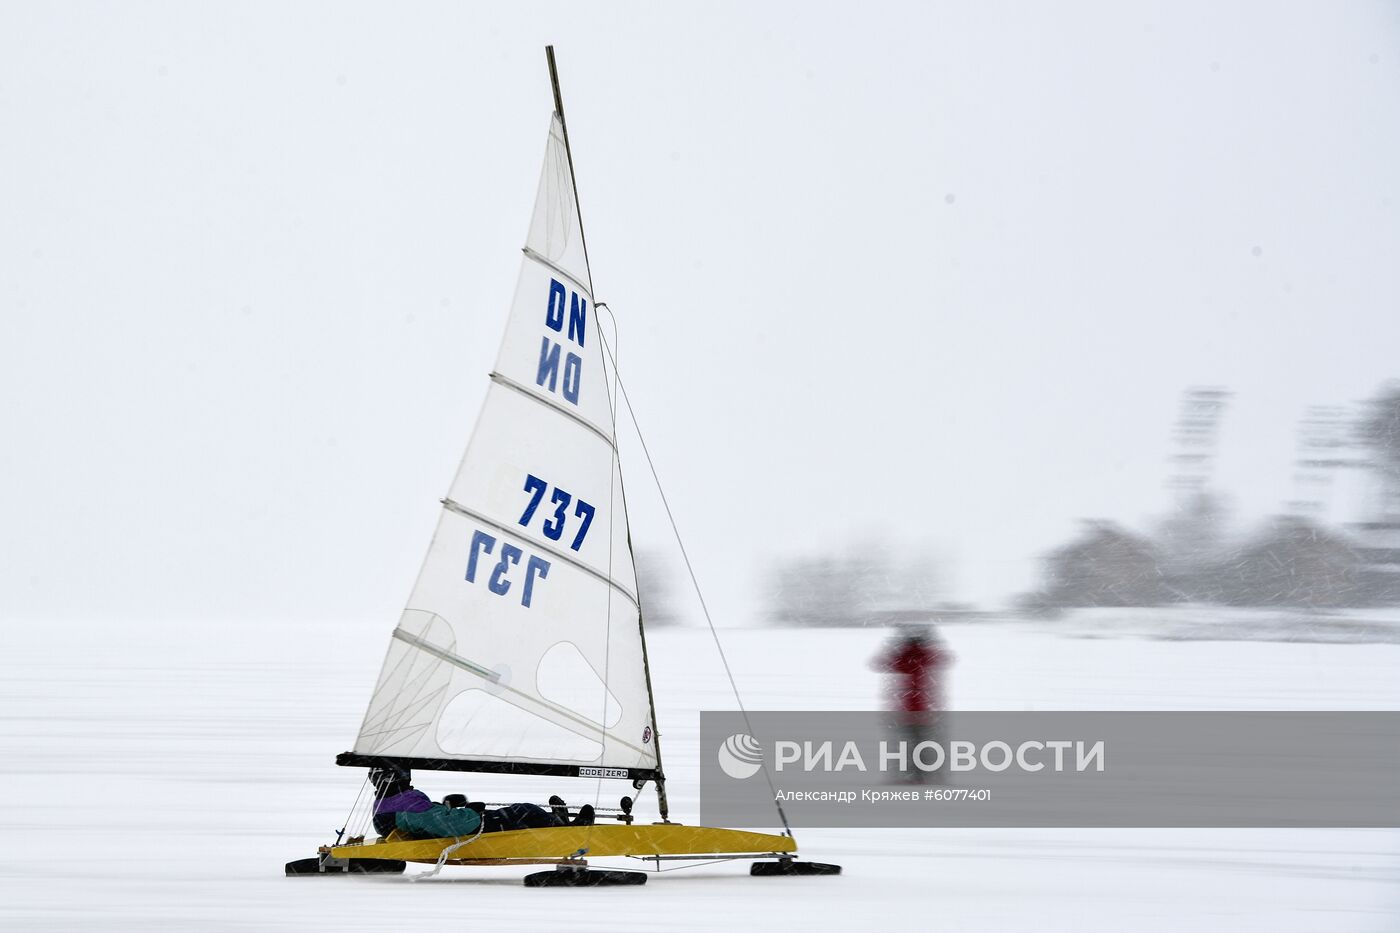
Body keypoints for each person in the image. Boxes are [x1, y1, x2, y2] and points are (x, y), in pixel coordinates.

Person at [370, 768, 594, 840]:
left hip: (462, 825)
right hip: (471, 830)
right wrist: (470, 812)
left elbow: (427, 820)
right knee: (526, 812)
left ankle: (558, 822)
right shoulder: (402, 805)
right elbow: (447, 826)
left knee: (520, 812)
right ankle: (571, 832)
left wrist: (447, 806)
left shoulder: (388, 803)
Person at [871, 624, 953, 783]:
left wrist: (894, 645)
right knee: (926, 745)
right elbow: (947, 658)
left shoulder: (903, 657)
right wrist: (933, 641)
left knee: (906, 746)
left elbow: (878, 663)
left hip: (906, 710)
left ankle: (909, 776)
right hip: (929, 709)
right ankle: (927, 776)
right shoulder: (928, 655)